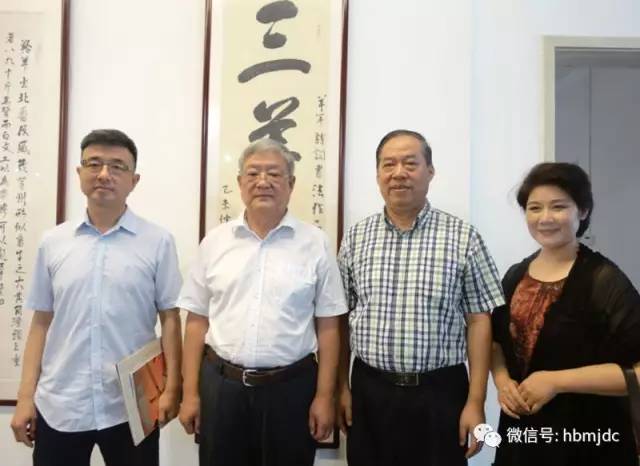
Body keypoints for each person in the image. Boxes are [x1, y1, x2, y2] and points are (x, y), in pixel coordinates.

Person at [10, 129, 183, 466]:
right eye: (94, 164)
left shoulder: (158, 241)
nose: (104, 174)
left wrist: (172, 387)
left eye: (117, 166)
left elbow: (170, 319)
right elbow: (41, 323)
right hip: (61, 403)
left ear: (134, 180)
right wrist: (25, 397)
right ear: (79, 174)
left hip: (131, 405)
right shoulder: (54, 242)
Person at [336, 129, 504, 466]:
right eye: (389, 164)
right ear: (378, 175)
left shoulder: (463, 237)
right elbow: (340, 318)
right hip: (370, 391)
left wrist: (476, 402)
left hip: (440, 393)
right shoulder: (356, 237)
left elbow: (479, 321)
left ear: (430, 171)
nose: (398, 173)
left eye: (410, 163)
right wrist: (341, 386)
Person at [177, 138, 346, 466]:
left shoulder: (315, 243)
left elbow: (328, 326)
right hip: (222, 387)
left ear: (291, 184)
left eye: (274, 174)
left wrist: (325, 396)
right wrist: (190, 394)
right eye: (253, 173)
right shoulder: (215, 242)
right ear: (240, 183)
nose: (263, 182)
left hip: (291, 390)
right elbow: (196, 321)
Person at [491, 162, 640, 466]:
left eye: (558, 207)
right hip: (523, 439)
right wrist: (503, 381)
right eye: (534, 208)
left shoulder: (605, 281)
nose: (545, 218)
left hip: (589, 438)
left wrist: (556, 381)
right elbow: (496, 343)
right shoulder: (516, 275)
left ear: (582, 211)